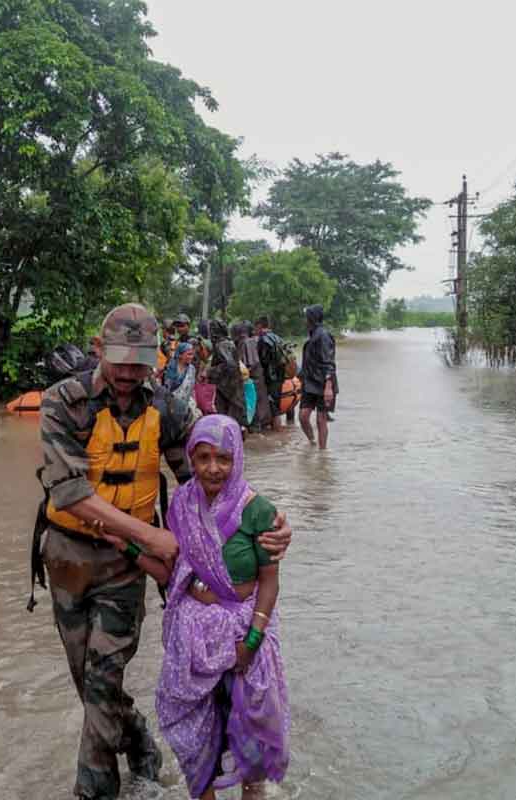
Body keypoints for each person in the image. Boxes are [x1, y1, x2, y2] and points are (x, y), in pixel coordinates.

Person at [34, 303, 292, 800]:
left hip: (125, 566)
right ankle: (142, 744)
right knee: (87, 684)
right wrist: (154, 535)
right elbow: (67, 492)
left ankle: (95, 792)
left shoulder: (169, 409)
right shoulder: (63, 402)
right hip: (68, 557)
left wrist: (271, 522)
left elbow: (210, 486)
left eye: (141, 362)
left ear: (156, 357)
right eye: (121, 361)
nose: (131, 374)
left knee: (103, 679)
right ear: (97, 350)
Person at [152, 414, 291, 799]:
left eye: (224, 458)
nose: (214, 469)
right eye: (204, 458)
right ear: (191, 460)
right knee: (198, 734)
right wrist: (124, 544)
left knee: (249, 733)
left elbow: (269, 580)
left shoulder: (258, 511)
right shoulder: (181, 504)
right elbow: (171, 570)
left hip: (243, 635)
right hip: (194, 638)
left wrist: (252, 639)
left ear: (238, 459)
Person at [300, 304, 338, 449]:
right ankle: (312, 442)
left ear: (312, 318)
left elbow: (329, 362)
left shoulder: (323, 336)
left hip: (323, 383)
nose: (304, 321)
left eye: (306, 318)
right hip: (310, 384)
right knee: (303, 417)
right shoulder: (313, 334)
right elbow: (309, 362)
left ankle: (323, 453)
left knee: (321, 420)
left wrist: (328, 387)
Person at [254, 316, 285, 431]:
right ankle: (276, 433)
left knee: (274, 408)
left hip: (270, 378)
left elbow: (262, 361)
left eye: (255, 328)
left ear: (259, 326)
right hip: (280, 377)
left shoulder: (263, 340)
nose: (255, 331)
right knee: (276, 405)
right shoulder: (278, 338)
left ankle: (277, 435)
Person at [162, 341, 198, 409]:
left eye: (192, 354)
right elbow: (167, 388)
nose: (191, 357)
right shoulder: (171, 367)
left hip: (185, 404)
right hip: (171, 404)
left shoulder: (192, 369)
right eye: (189, 354)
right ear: (180, 355)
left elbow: (192, 389)